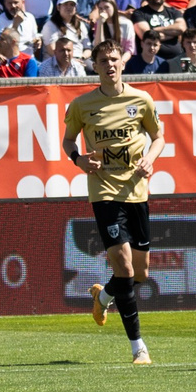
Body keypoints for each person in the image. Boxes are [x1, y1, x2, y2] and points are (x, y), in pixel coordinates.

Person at [64, 50, 164, 365]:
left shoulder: (142, 100)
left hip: (137, 192)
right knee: (124, 266)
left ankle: (103, 296)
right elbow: (68, 141)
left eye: (114, 59)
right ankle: (139, 348)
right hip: (104, 192)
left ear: (123, 63)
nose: (109, 65)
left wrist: (150, 158)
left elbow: (159, 136)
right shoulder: (82, 105)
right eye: (103, 61)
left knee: (141, 274)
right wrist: (78, 159)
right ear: (95, 67)